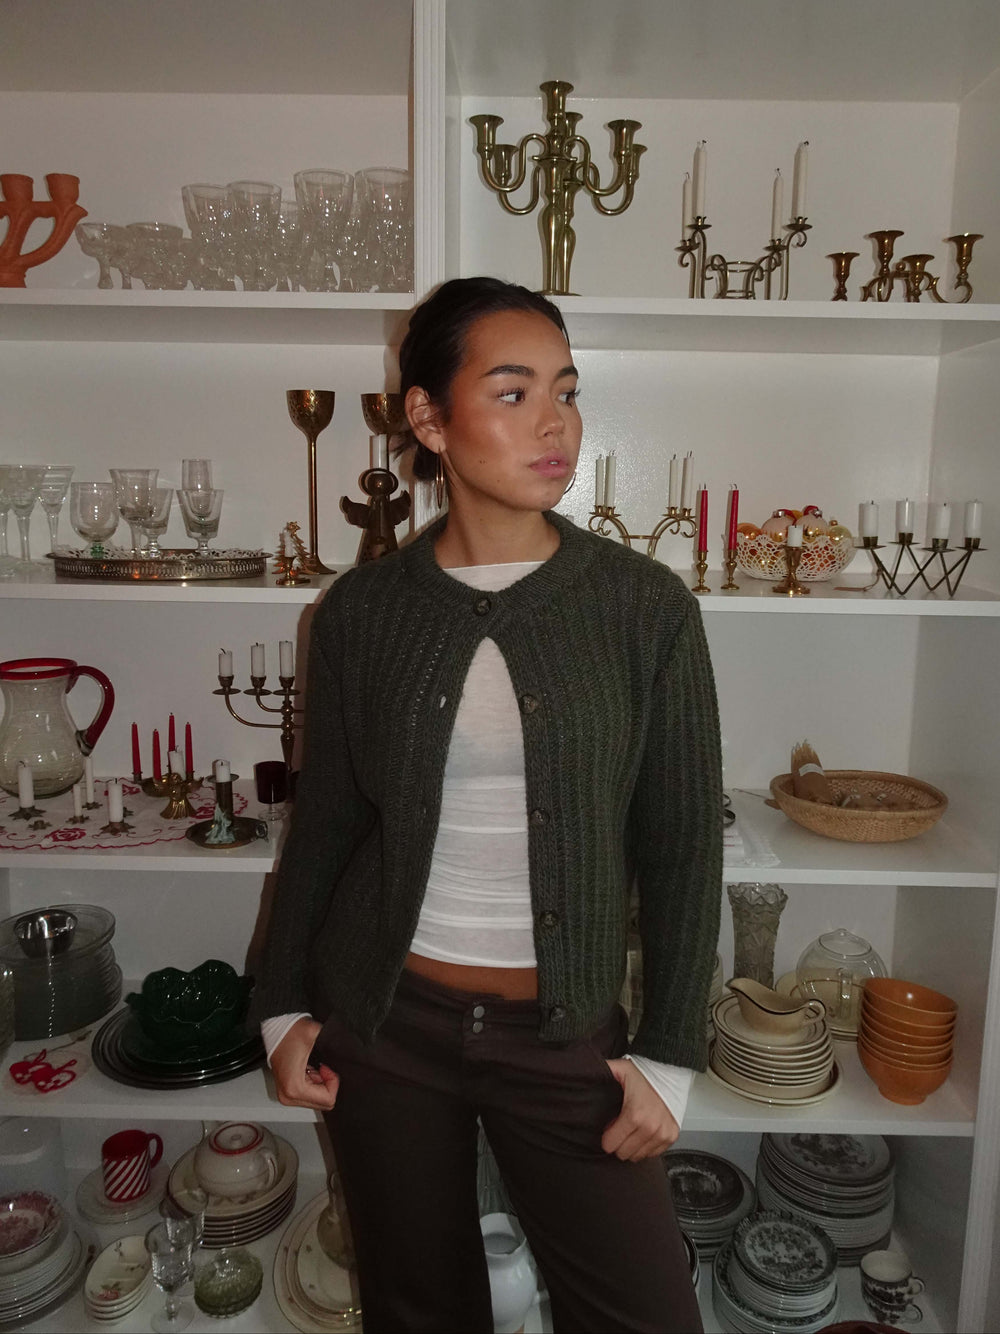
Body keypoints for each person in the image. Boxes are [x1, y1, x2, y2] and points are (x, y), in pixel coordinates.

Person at [253, 276, 722, 1333]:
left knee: (646, 1312)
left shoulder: (643, 607)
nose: (555, 423)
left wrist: (670, 1052)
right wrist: (281, 1006)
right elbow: (327, 824)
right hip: (385, 1026)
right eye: (513, 393)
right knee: (417, 1306)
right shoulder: (362, 611)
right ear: (428, 417)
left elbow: (684, 844)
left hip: (565, 1036)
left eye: (566, 390)